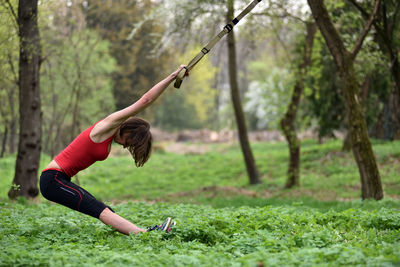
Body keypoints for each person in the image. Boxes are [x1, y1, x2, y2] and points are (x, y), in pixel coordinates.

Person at [40, 65, 188, 235]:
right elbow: (145, 101)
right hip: (52, 180)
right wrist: (172, 77)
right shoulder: (108, 125)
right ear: (127, 129)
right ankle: (146, 235)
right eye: (129, 141)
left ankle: (145, 233)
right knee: (99, 209)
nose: (125, 146)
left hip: (61, 179)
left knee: (104, 209)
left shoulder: (109, 137)